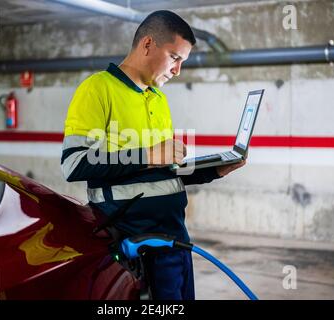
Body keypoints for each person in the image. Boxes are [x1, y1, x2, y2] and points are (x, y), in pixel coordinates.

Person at [61, 10, 246, 300]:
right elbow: (74, 164)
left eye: (182, 62)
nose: (177, 70)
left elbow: (163, 172)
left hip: (174, 240)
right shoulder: (97, 89)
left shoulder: (158, 99)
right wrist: (147, 154)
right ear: (148, 44)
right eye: (175, 58)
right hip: (136, 248)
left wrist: (213, 170)